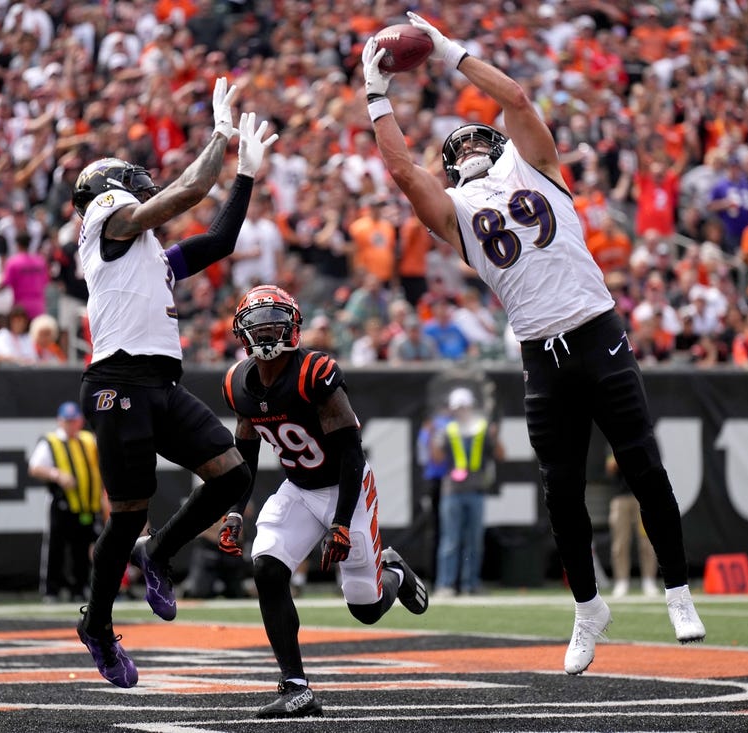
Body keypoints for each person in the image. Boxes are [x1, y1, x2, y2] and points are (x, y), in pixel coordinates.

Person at [362, 14, 705, 676]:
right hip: (540, 352)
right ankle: (587, 609)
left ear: (497, 142)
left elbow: (516, 99)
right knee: (561, 490)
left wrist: (448, 51)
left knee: (644, 464)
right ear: (452, 172)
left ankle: (677, 591)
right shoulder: (457, 216)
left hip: (596, 328)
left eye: (473, 140)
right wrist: (376, 98)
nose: (465, 150)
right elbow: (405, 173)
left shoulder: (537, 164)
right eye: (453, 149)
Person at [71, 78, 278, 688]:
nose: (141, 184)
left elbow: (219, 240)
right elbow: (188, 190)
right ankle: (99, 625)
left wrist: (245, 177)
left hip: (159, 381)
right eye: (130, 179)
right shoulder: (106, 221)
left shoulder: (147, 251)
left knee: (232, 475)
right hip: (119, 381)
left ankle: (158, 554)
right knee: (126, 513)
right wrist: (220, 138)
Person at [220, 284, 429, 718]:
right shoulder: (238, 383)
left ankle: (392, 570)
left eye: (273, 323)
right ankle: (296, 687)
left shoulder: (315, 372)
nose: (264, 334)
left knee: (365, 608)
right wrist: (235, 509)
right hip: (298, 487)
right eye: (256, 326)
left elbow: (352, 451)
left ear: (292, 327)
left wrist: (339, 522)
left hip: (344, 487)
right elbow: (245, 455)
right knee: (267, 567)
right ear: (242, 332)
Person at [28, 402, 106, 604]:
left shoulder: (88, 440)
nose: (72, 425)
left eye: (75, 421)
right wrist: (57, 474)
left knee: (82, 549)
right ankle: (51, 590)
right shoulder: (51, 441)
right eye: (68, 421)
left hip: (87, 505)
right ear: (60, 421)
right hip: (62, 503)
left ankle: (79, 589)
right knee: (56, 547)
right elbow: (35, 467)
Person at [431, 386, 503, 597]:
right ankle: (446, 584)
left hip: (476, 490)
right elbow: (436, 458)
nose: (461, 412)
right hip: (452, 491)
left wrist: (495, 436)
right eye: (458, 408)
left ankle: (470, 584)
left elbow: (500, 454)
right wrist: (434, 435)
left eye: (464, 407)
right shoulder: (447, 430)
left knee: (474, 541)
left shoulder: (482, 428)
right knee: (450, 540)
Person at [607, 455, 659, 599]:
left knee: (646, 541)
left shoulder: (644, 435)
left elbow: (653, 462)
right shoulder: (613, 439)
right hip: (620, 498)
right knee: (620, 543)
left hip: (642, 496)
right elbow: (610, 466)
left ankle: (649, 581)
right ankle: (621, 581)